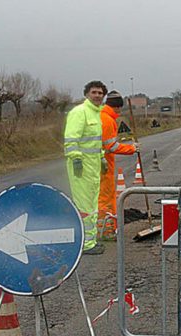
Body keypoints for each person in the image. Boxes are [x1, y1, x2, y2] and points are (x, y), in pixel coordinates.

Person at [64, 80, 106, 255]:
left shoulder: (96, 114)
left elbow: (95, 142)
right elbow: (71, 138)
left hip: (93, 167)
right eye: (94, 92)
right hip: (81, 167)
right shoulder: (79, 112)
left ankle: (91, 239)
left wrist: (102, 158)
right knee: (84, 206)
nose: (97, 95)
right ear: (87, 94)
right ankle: (86, 244)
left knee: (92, 204)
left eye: (100, 93)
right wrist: (75, 159)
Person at [98, 90, 138, 240]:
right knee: (105, 198)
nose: (120, 111)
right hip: (103, 165)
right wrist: (131, 149)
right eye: (119, 108)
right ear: (117, 107)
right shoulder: (107, 120)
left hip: (101, 163)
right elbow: (111, 146)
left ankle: (110, 227)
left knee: (105, 196)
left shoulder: (102, 116)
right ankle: (105, 230)